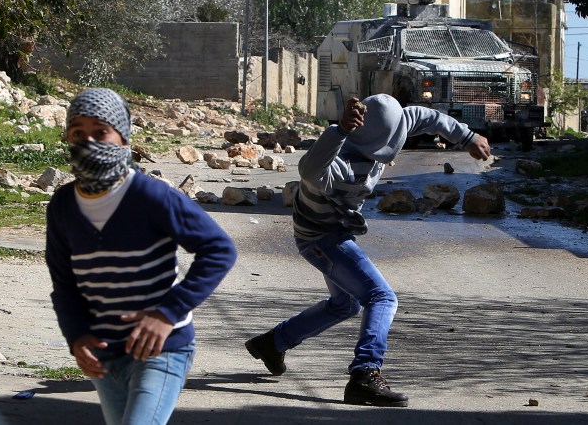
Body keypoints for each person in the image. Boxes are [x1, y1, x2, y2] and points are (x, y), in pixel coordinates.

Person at [245, 94, 491, 407]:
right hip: (320, 239)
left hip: (337, 232)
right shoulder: (338, 166)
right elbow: (309, 168)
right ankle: (364, 374)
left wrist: (467, 136)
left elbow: (429, 118)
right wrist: (339, 131)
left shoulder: (395, 121)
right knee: (382, 296)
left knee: (345, 305)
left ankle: (272, 343)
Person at [45, 88, 237, 425]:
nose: (89, 141)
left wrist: (167, 313)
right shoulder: (62, 206)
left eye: (100, 131)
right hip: (104, 357)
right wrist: (76, 337)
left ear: (123, 138)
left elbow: (219, 249)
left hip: (162, 350)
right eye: (78, 132)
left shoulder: (151, 196)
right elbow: (64, 283)